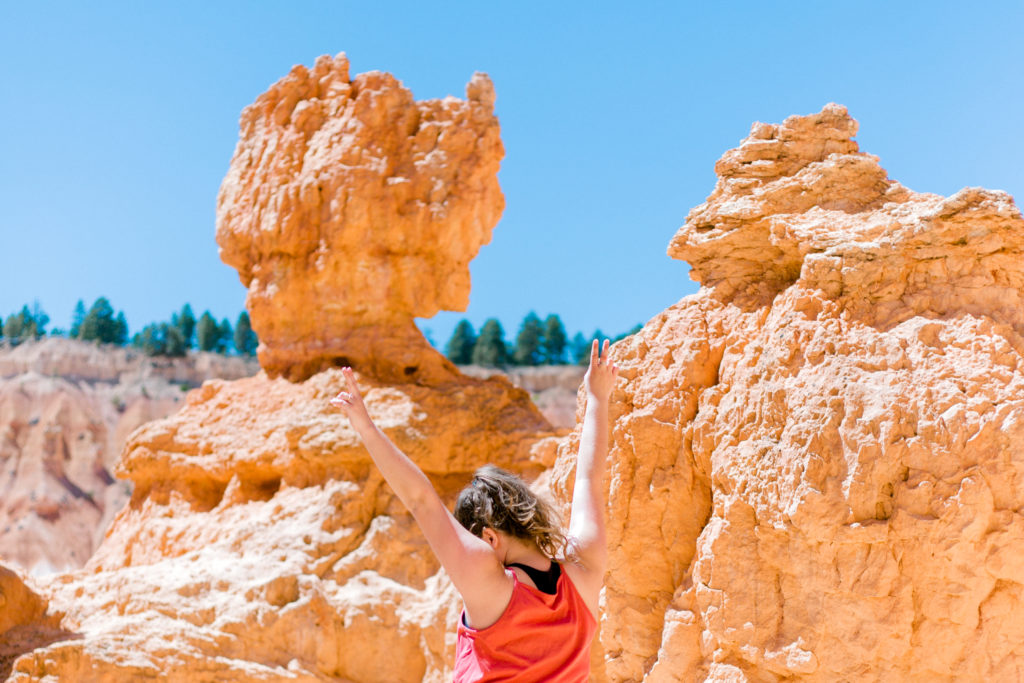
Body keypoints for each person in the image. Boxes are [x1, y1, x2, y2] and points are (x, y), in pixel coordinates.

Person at [330, 339, 619, 681]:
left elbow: (421, 501)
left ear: (488, 537)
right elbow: (588, 479)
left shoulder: (491, 585)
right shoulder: (582, 569)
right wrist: (598, 397)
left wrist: (365, 427)